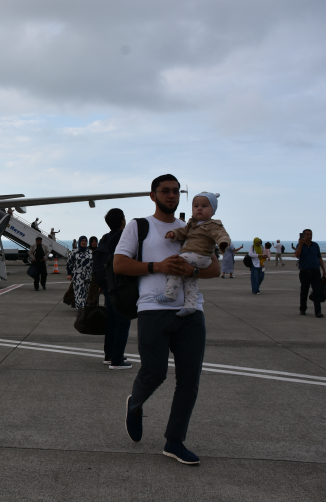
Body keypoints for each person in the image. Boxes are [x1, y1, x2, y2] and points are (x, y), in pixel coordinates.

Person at [114, 174, 220, 465]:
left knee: (189, 379)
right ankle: (135, 403)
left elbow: (215, 269)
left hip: (191, 311)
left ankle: (174, 441)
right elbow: (119, 264)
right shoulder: (140, 226)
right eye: (165, 191)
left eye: (175, 191)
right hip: (152, 309)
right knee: (155, 372)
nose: (171, 195)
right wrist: (158, 266)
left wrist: (192, 272)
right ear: (153, 195)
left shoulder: (194, 227)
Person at [159, 192, 230, 316]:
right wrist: (174, 233)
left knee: (176, 264)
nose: (199, 209)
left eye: (204, 206)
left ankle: (170, 294)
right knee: (189, 280)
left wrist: (223, 243)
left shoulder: (214, 225)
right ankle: (190, 305)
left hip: (200, 255)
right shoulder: (192, 223)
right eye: (196, 206)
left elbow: (222, 235)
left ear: (213, 210)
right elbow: (183, 232)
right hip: (194, 257)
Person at [98, 208, 132, 370]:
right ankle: (117, 360)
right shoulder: (124, 237)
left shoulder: (105, 239)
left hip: (108, 285)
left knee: (111, 321)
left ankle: (109, 355)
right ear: (122, 221)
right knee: (123, 322)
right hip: (122, 286)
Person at [295, 229, 326, 317]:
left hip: (315, 272)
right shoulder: (300, 245)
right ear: (303, 235)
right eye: (307, 234)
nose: (309, 236)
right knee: (304, 291)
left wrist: (324, 270)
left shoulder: (315, 245)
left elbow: (319, 257)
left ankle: (318, 311)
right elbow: (297, 255)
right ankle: (302, 309)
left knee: (317, 292)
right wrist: (300, 244)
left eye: (310, 234)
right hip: (304, 272)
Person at [67, 236, 93, 310]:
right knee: (79, 293)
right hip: (78, 276)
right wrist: (69, 274)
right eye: (82, 241)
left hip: (88, 276)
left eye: (85, 241)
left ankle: (83, 308)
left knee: (86, 293)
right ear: (79, 242)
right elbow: (69, 264)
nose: (84, 242)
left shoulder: (90, 252)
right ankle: (80, 310)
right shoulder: (74, 252)